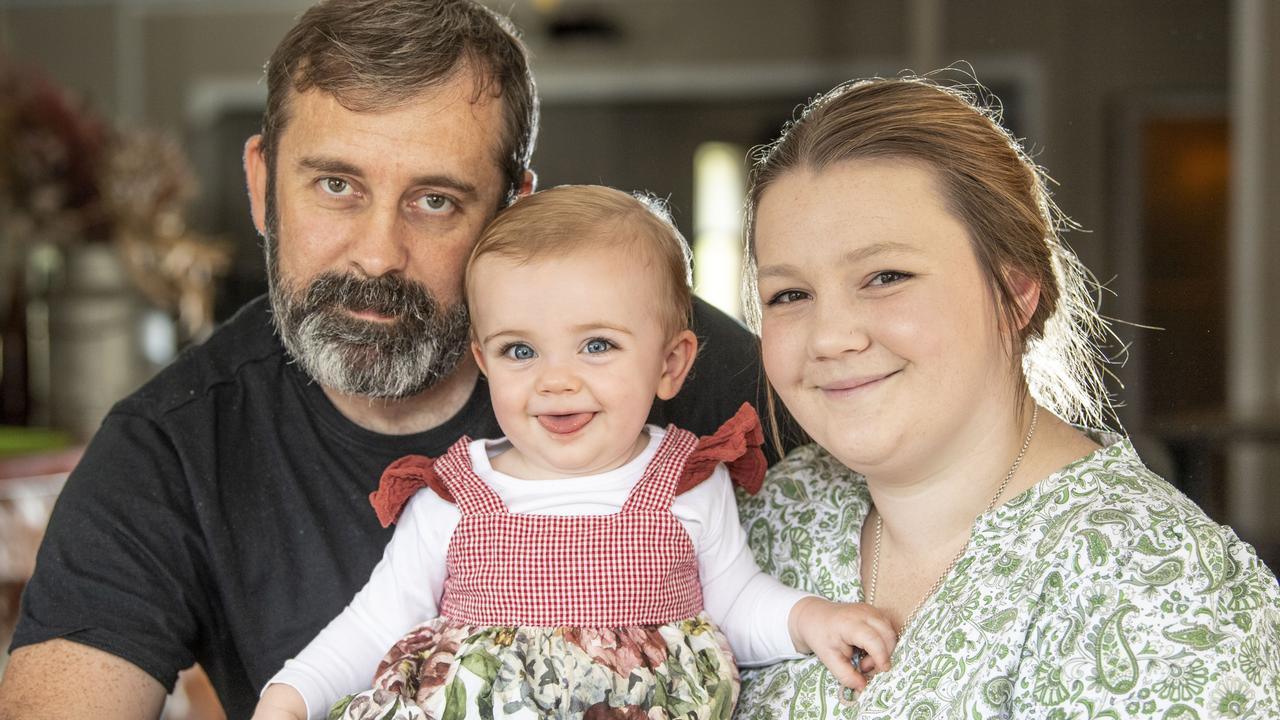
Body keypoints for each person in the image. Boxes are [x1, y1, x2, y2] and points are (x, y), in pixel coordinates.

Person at [0, 3, 774, 719]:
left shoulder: (685, 368)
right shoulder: (167, 450)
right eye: (336, 186)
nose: (377, 256)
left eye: (434, 200)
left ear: (512, 209)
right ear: (263, 182)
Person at [732, 76, 1280, 718]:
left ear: (1016, 293)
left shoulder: (1164, 583)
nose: (830, 338)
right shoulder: (769, 513)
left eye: (886, 276)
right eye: (789, 295)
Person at [249, 185, 894, 720]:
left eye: (597, 346)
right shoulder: (453, 498)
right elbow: (374, 625)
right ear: (483, 362)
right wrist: (291, 695)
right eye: (520, 351)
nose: (556, 380)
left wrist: (811, 621)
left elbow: (733, 604)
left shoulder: (685, 482)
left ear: (671, 364)